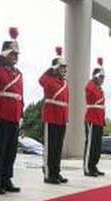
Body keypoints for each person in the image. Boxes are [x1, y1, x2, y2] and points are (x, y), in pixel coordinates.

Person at [0, 27, 23, 194]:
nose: (14, 57)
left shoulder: (19, 73)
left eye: (16, 54)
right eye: (12, 53)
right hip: (1, 111)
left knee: (11, 149)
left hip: (15, 113)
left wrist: (21, 113)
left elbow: (20, 95)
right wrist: (3, 53)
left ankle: (6, 178)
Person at [39, 47, 69, 184]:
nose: (64, 70)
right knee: (50, 147)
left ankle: (56, 172)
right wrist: (51, 68)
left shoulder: (64, 83)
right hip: (51, 116)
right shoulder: (48, 80)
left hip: (61, 117)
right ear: (55, 67)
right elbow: (41, 79)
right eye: (61, 67)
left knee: (58, 148)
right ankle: (49, 173)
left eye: (64, 67)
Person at [83, 57, 106, 177]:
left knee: (97, 146)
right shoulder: (90, 85)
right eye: (101, 77)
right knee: (91, 144)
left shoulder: (100, 89)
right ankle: (87, 167)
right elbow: (88, 89)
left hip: (99, 119)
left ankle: (94, 166)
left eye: (103, 77)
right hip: (91, 118)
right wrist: (94, 79)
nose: (102, 80)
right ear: (95, 76)